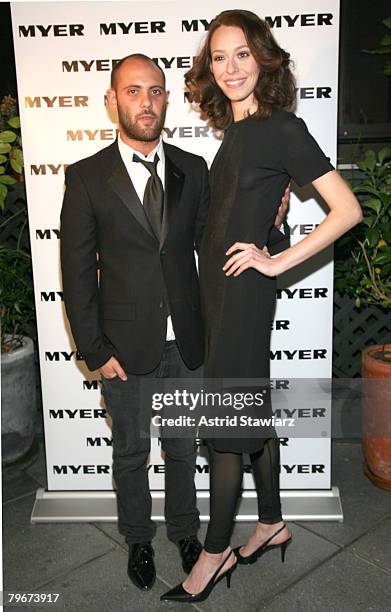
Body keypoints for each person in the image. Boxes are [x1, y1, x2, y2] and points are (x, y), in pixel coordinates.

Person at [60, 52, 289, 593]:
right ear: (113, 100)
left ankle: (187, 534)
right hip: (123, 347)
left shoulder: (193, 167)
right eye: (134, 91)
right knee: (132, 452)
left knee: (185, 447)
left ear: (167, 99)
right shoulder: (88, 177)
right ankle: (138, 539)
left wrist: (273, 231)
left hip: (187, 341)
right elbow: (75, 274)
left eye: (156, 91)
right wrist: (94, 350)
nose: (147, 102)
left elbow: (216, 248)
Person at [161, 10, 362, 603]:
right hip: (220, 295)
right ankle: (271, 522)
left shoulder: (280, 127)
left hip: (243, 300)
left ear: (263, 58)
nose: (230, 68)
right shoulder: (239, 133)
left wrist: (275, 261)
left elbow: (347, 210)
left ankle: (216, 550)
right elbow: (239, 217)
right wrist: (270, 235)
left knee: (226, 428)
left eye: (242, 54)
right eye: (218, 57)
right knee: (245, 413)